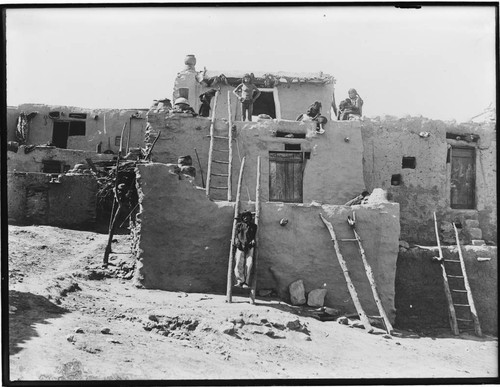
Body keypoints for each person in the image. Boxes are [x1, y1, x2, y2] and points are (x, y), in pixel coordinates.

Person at [233, 210, 257, 288]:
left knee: (249, 264)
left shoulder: (254, 226)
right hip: (240, 246)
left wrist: (253, 241)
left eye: (248, 216)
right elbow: (236, 236)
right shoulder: (239, 225)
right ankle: (240, 280)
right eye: (244, 216)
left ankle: (246, 282)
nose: (246, 218)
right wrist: (238, 243)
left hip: (249, 246)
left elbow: (254, 236)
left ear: (250, 217)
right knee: (238, 263)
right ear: (242, 218)